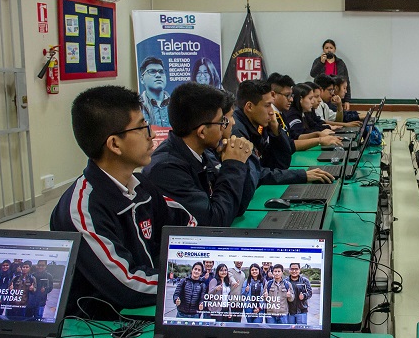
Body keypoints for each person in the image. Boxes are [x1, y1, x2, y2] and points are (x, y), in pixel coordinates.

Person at [50, 86, 197, 318]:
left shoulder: (140, 185)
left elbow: (187, 223)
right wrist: (194, 278)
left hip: (147, 311)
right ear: (114, 144)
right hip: (102, 329)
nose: (151, 135)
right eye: (141, 127)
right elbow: (127, 284)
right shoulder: (82, 209)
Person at [143, 82, 254, 226]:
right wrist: (233, 166)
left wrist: (240, 161)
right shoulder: (166, 169)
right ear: (202, 132)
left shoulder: (203, 152)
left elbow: (237, 207)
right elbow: (214, 222)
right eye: (221, 122)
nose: (225, 127)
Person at [230, 79, 334, 185]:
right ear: (249, 107)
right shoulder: (237, 132)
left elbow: (281, 164)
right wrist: (302, 175)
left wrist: (276, 130)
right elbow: (256, 175)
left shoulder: (257, 124)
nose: (271, 112)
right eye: (267, 105)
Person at [283, 83, 342, 150]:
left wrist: (319, 133)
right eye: (310, 98)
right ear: (301, 99)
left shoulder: (304, 112)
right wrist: (319, 138)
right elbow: (296, 137)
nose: (313, 101)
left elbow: (313, 126)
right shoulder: (293, 115)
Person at [310, 39, 352, 110]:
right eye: (326, 48)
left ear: (335, 49)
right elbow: (313, 74)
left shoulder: (340, 63)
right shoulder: (318, 61)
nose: (329, 50)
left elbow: (346, 81)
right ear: (323, 50)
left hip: (336, 95)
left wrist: (347, 100)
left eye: (331, 48)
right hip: (323, 94)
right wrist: (321, 63)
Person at [138, 56, 171, 127]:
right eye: (152, 71)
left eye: (161, 72)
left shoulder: (176, 103)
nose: (158, 75)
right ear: (142, 79)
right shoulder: (137, 106)